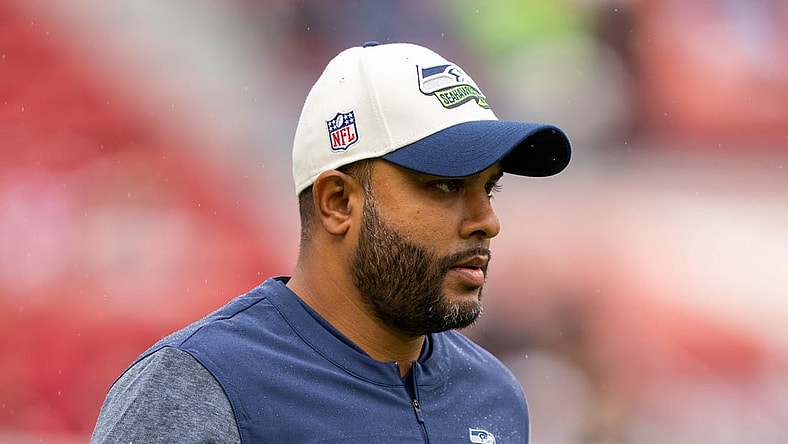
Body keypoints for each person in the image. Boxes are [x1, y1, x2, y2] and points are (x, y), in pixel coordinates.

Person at [91, 41, 571, 443]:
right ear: (338, 202)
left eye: (488, 188)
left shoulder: (494, 395)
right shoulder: (201, 386)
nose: (488, 221)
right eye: (445, 185)